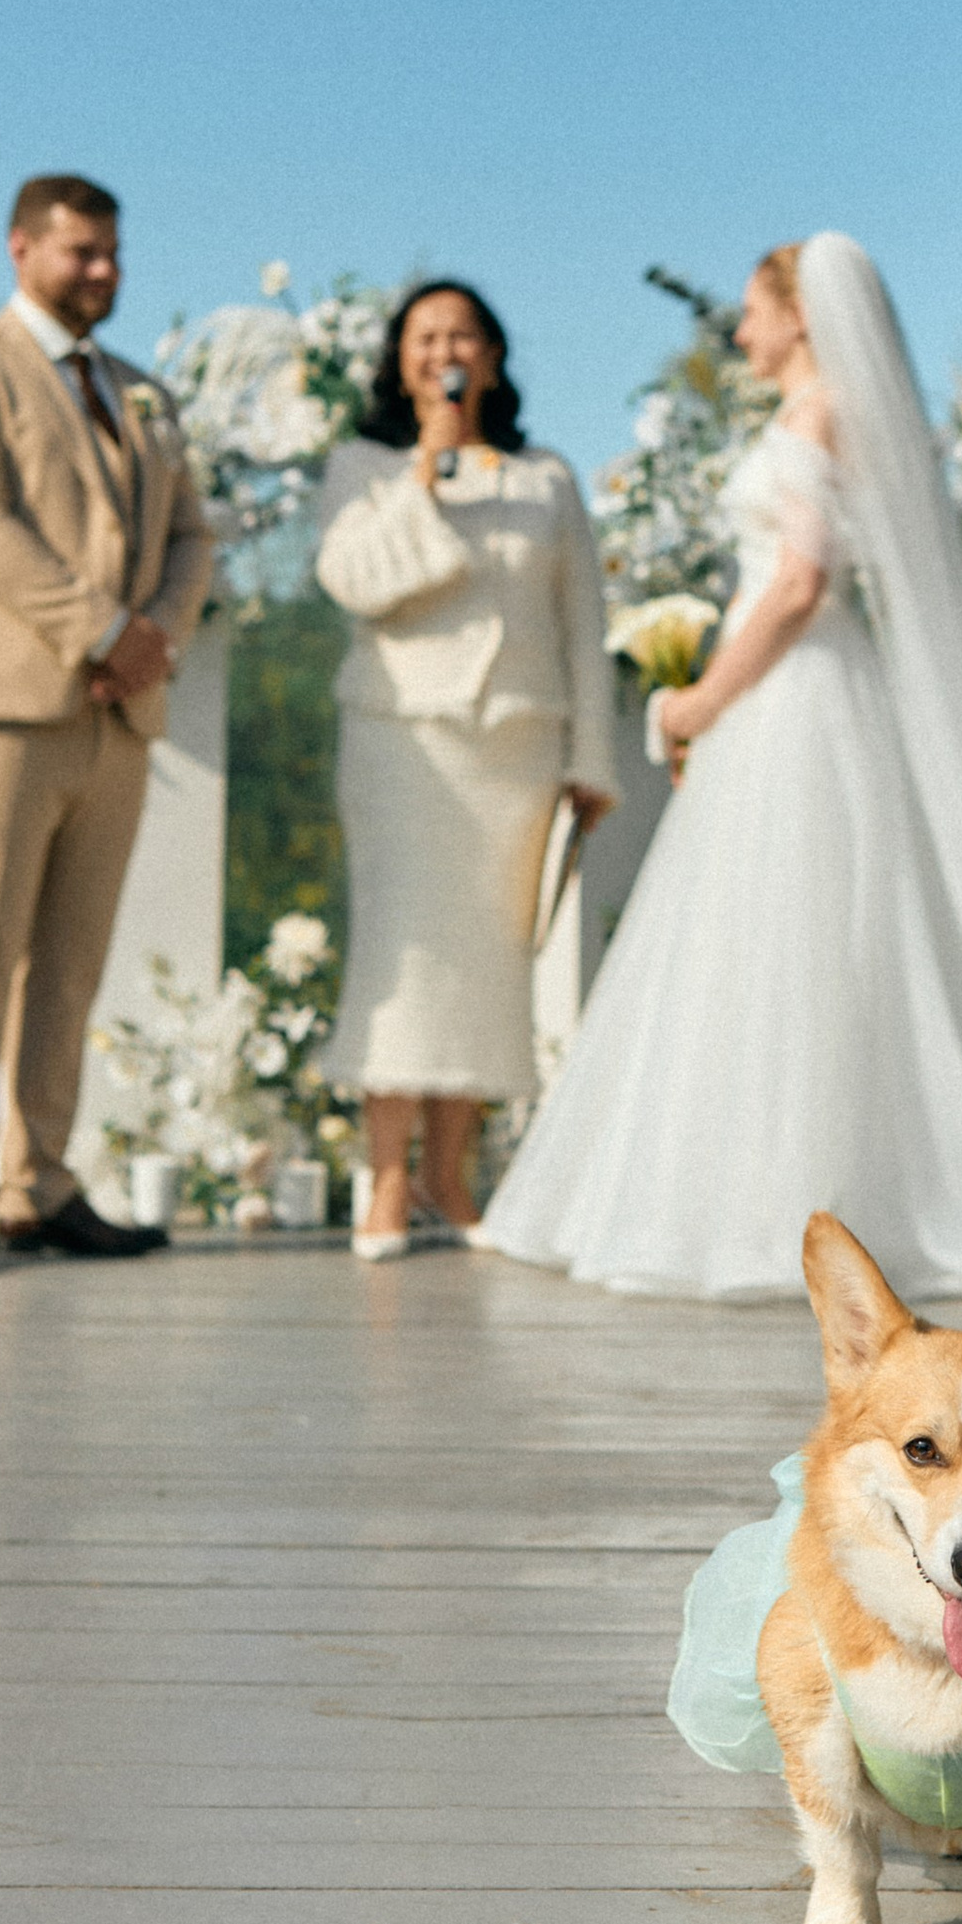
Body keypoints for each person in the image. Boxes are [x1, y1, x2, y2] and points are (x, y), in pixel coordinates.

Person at [475, 233, 962, 1321]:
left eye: (753, 312)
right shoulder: (810, 416)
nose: (742, 332)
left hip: (797, 695)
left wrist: (701, 698)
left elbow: (800, 581)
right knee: (767, 941)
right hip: (798, 696)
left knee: (797, 940)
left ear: (799, 314)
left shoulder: (818, 417)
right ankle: (775, 1196)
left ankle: (786, 1206)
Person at [0, 174, 217, 1274]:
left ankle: (42, 1186)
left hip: (117, 718)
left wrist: (155, 635)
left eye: (114, 253)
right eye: (82, 252)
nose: (104, 272)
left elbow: (193, 536)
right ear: (21, 247)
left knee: (71, 967)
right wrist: (101, 630)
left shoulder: (142, 393)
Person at [314, 280, 617, 1259]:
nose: (442, 350)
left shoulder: (545, 479)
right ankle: (387, 1178)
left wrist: (592, 758)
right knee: (402, 959)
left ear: (490, 356)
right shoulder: (362, 467)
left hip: (514, 750)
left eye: (460, 334)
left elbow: (582, 623)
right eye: (423, 336)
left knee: (491, 963)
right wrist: (427, 471)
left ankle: (452, 1176)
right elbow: (354, 582)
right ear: (400, 362)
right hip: (406, 744)